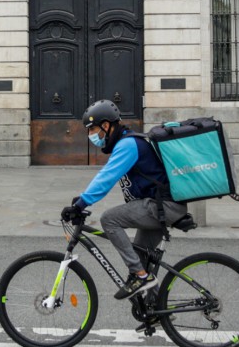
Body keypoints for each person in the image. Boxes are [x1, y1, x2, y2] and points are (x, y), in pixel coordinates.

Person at [61, 100, 188, 300]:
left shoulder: (128, 145)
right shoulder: (128, 142)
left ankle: (140, 276)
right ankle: (154, 310)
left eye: (92, 129)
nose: (90, 135)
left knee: (110, 219)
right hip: (161, 206)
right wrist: (83, 199)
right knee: (141, 257)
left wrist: (81, 204)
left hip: (163, 206)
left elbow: (106, 178)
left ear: (106, 125)